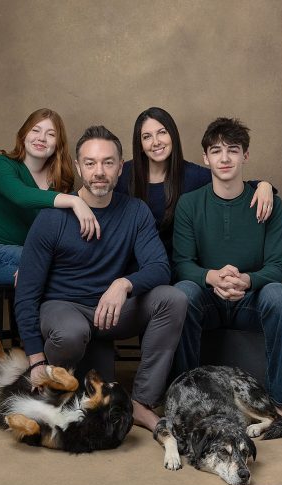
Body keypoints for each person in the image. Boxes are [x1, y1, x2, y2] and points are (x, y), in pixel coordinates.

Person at [15, 125, 187, 432]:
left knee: (173, 298)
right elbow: (26, 293)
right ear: (79, 167)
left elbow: (161, 267)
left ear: (121, 168)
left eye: (108, 162)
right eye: (91, 163)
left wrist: (123, 284)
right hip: (64, 308)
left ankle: (141, 403)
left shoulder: (135, 211)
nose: (99, 171)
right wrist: (36, 360)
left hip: (113, 312)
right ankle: (56, 393)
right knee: (70, 332)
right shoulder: (51, 218)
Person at [172, 117, 282, 427]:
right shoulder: (190, 204)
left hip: (251, 301)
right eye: (216, 151)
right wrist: (212, 277)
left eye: (233, 150)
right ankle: (184, 394)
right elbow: (182, 263)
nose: (225, 158)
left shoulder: (267, 202)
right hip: (208, 301)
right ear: (205, 159)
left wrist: (247, 280)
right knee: (181, 294)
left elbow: (278, 265)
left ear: (245, 155)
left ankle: (280, 399)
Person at [116, 107, 275, 258]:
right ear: (141, 145)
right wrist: (88, 208)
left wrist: (263, 185)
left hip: (177, 269)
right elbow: (98, 189)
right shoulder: (124, 174)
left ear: (173, 136)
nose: (156, 142)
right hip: (133, 266)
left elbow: (229, 181)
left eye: (162, 132)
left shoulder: (193, 175)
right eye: (147, 136)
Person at [0, 108, 100, 285]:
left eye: (51, 134)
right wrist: (75, 201)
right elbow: (21, 196)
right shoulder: (0, 165)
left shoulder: (60, 181)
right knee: (56, 275)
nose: (42, 138)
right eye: (35, 130)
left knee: (69, 267)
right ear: (24, 135)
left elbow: (57, 230)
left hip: (31, 254)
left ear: (58, 143)